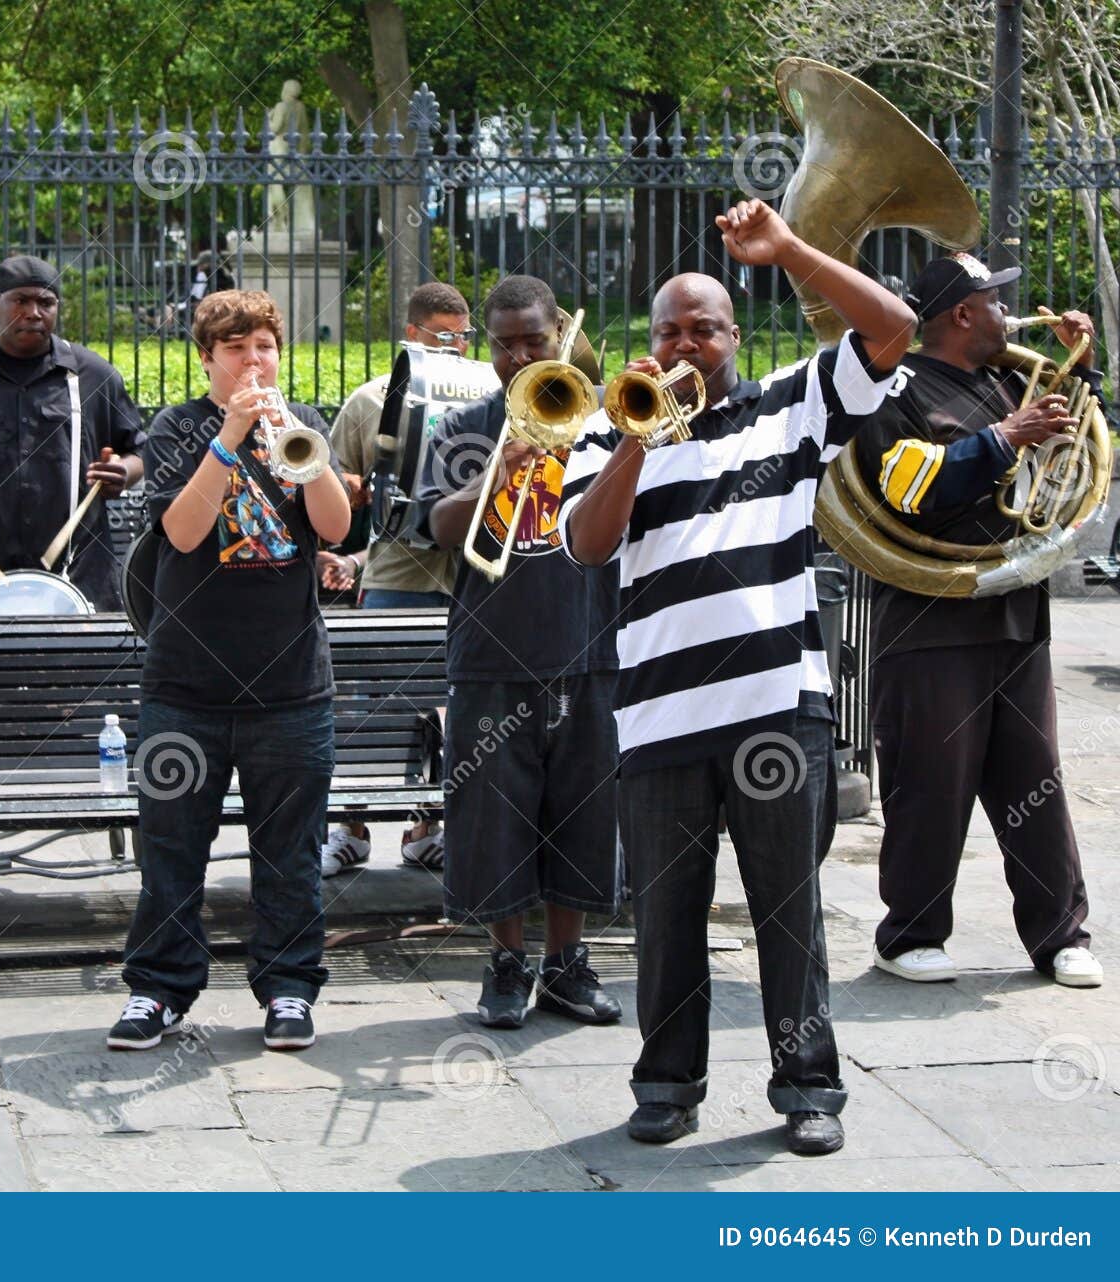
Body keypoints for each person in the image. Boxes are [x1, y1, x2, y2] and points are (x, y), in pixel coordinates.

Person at [563, 199, 918, 1156]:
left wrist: (790, 248)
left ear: (734, 334)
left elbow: (893, 328)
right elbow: (590, 547)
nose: (686, 342)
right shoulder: (605, 434)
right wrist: (640, 435)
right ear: (650, 340)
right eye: (669, 328)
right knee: (666, 916)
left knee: (787, 910)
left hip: (775, 711)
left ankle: (808, 1090)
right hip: (660, 718)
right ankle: (667, 1084)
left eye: (705, 327)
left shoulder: (794, 403)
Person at [108, 290, 353, 1053]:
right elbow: (181, 533)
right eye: (238, 349)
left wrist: (294, 445)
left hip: (290, 686)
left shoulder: (302, 424)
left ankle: (287, 989)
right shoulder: (176, 428)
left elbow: (337, 526)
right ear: (207, 358)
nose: (256, 361)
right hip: (186, 686)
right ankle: (158, 990)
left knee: (290, 853)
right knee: (172, 847)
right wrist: (231, 437)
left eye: (266, 347)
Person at [859, 253, 1102, 989]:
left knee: (1037, 781)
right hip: (929, 620)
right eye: (996, 300)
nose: (1010, 311)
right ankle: (909, 936)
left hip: (1015, 613)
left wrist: (1082, 369)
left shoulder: (1010, 379)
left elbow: (1079, 443)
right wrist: (1005, 437)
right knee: (931, 782)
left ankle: (1060, 936)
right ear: (962, 314)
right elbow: (904, 486)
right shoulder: (893, 391)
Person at [415, 274, 624, 1035]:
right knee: (493, 817)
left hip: (591, 641)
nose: (518, 355)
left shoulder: (603, 423)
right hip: (492, 652)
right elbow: (435, 527)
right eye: (504, 344)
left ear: (558, 332)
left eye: (533, 340)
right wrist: (492, 481)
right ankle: (506, 964)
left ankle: (567, 965)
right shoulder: (466, 425)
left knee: (583, 812)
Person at [314, 280, 475, 877]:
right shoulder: (370, 399)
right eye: (444, 336)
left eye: (464, 336)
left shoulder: (486, 389)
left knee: (454, 709)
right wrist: (355, 498)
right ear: (412, 335)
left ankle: (424, 831)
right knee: (376, 709)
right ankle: (350, 830)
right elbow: (333, 490)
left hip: (470, 574)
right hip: (397, 575)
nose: (457, 346)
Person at [0, 255, 144, 612]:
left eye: (45, 302)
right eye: (21, 301)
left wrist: (123, 473)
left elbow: (141, 451)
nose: (34, 312)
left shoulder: (94, 375)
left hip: (79, 577)